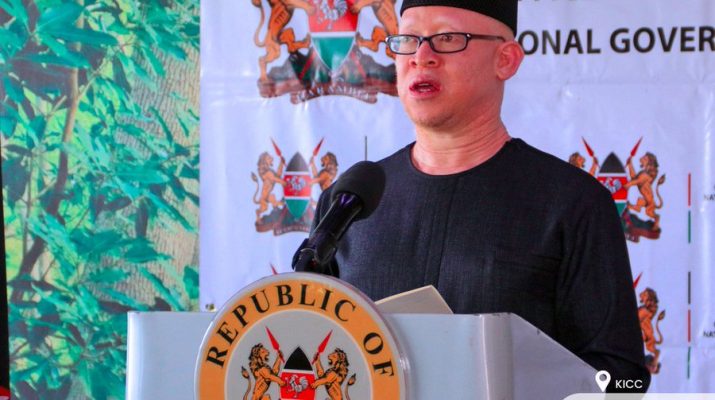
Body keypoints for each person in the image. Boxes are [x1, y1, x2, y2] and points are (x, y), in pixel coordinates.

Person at [309, 0, 650, 392]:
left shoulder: (572, 202)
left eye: (447, 38)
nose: (421, 56)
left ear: (505, 60)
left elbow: (623, 379)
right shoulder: (350, 202)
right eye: (408, 40)